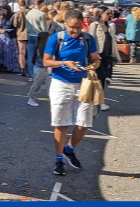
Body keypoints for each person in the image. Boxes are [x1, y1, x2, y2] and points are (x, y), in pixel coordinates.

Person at [43, 10, 100, 175]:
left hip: (83, 84)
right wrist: (64, 63)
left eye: (77, 27)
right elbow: (46, 60)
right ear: (65, 24)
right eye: (71, 27)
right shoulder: (57, 38)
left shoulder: (88, 39)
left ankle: (69, 149)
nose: (74, 31)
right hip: (61, 83)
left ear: (83, 24)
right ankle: (58, 159)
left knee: (84, 123)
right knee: (61, 123)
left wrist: (93, 66)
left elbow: (96, 58)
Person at [88, 6, 121, 111]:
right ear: (101, 13)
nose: (109, 15)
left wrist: (117, 56)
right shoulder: (94, 25)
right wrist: (93, 54)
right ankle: (98, 102)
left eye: (110, 13)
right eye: (107, 13)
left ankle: (98, 101)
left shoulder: (110, 26)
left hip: (108, 55)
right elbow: (90, 40)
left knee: (103, 79)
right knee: (100, 78)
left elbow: (113, 42)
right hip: (98, 56)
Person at [25, 0, 48, 82]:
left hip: (30, 35)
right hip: (39, 36)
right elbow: (44, 29)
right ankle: (39, 75)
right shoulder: (41, 14)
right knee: (40, 56)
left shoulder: (28, 13)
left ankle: (31, 75)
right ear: (41, 3)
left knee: (30, 56)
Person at [0, 5, 20, 73]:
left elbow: (15, 28)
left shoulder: (12, 17)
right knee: (0, 51)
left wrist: (6, 30)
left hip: (9, 37)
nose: (2, 12)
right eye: (2, 10)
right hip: (2, 36)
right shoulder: (2, 18)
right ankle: (2, 65)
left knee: (9, 52)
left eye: (4, 10)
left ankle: (11, 67)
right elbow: (0, 26)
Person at [11, 0, 30, 77]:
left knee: (21, 52)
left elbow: (15, 24)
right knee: (30, 52)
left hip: (21, 34)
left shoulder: (18, 13)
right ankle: (30, 68)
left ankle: (22, 69)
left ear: (19, 5)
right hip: (30, 33)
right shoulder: (30, 12)